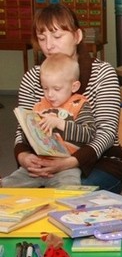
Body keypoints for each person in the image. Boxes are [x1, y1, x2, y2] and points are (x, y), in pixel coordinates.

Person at [12, 3, 122, 192]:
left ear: (77, 36)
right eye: (42, 38)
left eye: (57, 36)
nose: (49, 45)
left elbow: (106, 132)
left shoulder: (103, 73)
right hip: (45, 164)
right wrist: (23, 157)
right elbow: (22, 130)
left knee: (66, 195)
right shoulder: (32, 78)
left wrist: (69, 163)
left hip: (98, 163)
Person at [4, 53, 95, 188]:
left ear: (74, 86)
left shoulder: (79, 105)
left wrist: (60, 123)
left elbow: (89, 134)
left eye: (56, 89)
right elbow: (26, 139)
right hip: (38, 165)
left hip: (66, 168)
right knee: (8, 185)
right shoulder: (40, 106)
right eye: (45, 88)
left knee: (68, 193)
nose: (50, 94)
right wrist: (29, 128)